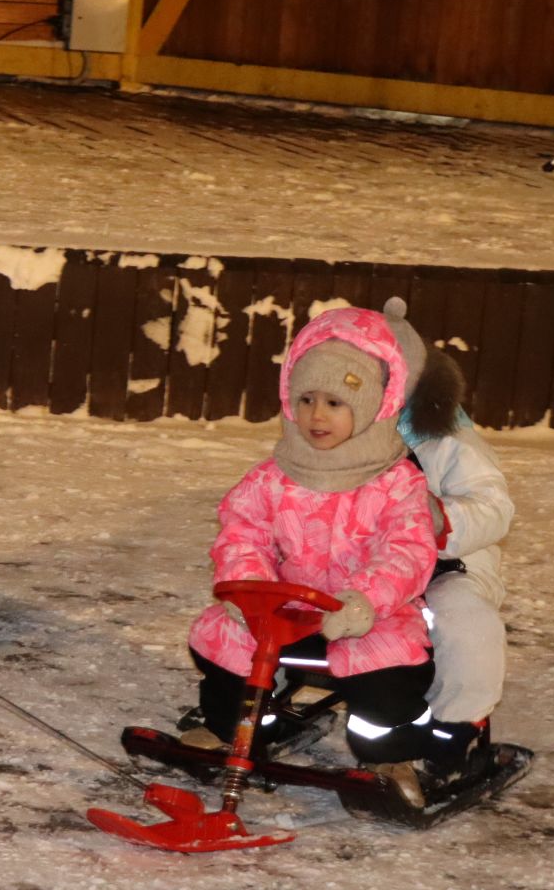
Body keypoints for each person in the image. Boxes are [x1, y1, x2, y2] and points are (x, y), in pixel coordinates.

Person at [184, 307, 448, 799]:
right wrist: (249, 589)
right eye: (305, 399)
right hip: (281, 607)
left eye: (334, 402)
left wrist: (363, 602)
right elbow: (243, 533)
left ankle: (391, 759)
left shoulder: (396, 481)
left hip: (366, 611)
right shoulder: (272, 476)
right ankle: (233, 731)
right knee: (226, 644)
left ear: (371, 406)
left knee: (386, 670)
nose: (316, 415)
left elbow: (407, 551)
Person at [380, 297, 516, 763]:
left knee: (464, 624)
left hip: (445, 562)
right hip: (357, 562)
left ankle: (453, 727)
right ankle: (249, 706)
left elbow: (493, 507)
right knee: (271, 602)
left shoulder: (446, 440)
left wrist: (439, 520)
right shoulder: (334, 427)